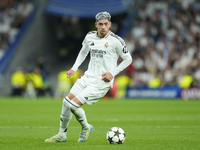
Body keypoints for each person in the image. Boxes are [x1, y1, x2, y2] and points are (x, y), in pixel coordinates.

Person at [45, 11, 132, 143]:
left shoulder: (116, 41)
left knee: (73, 105)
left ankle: (86, 127)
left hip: (101, 82)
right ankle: (62, 135)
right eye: (100, 24)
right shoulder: (90, 36)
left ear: (110, 24)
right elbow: (83, 51)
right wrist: (74, 68)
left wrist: (112, 73)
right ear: (96, 24)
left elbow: (128, 59)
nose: (103, 27)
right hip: (87, 77)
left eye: (106, 24)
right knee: (65, 102)